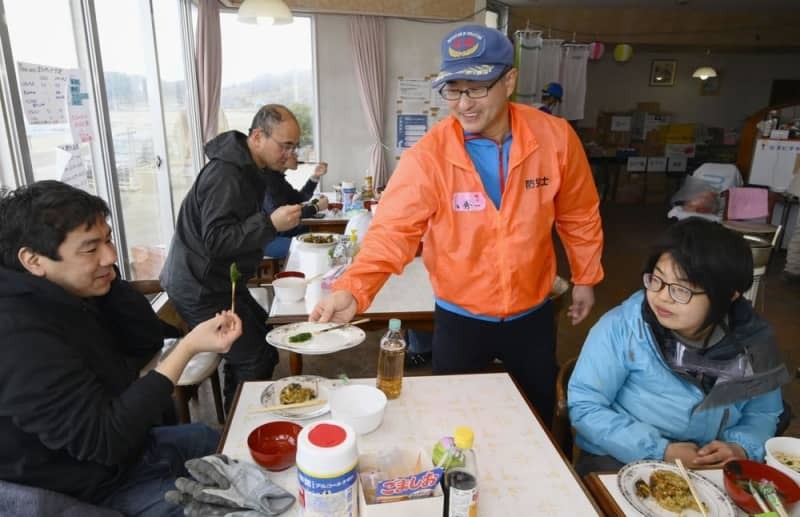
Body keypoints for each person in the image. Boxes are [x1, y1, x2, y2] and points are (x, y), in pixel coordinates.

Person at [310, 25, 604, 424]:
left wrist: (585, 275)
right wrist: (354, 290)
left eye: (477, 88)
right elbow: (391, 233)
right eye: (453, 89)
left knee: (536, 416)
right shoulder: (427, 157)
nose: (463, 104)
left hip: (532, 313)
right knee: (450, 419)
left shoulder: (555, 138)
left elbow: (579, 212)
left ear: (510, 81)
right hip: (459, 317)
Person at [0, 180, 242, 516]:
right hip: (93, 489)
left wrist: (104, 278)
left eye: (108, 240)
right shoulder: (18, 335)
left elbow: (145, 339)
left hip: (135, 448)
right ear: (33, 260)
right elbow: (105, 439)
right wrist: (186, 348)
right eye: (90, 248)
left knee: (215, 439)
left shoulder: (65, 292)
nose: (110, 256)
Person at [568, 218, 790, 476]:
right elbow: (585, 406)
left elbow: (764, 412)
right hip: (621, 455)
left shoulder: (754, 342)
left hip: (709, 466)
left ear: (729, 295)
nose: (662, 296)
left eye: (681, 290)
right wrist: (661, 451)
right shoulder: (622, 328)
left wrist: (740, 448)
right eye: (657, 280)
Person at [160, 104, 303, 409]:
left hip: (219, 280)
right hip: (199, 285)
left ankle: (235, 412)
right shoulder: (227, 174)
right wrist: (270, 224)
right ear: (257, 137)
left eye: (294, 146)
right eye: (285, 145)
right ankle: (237, 431)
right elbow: (216, 240)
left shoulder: (248, 168)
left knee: (262, 339)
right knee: (254, 357)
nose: (289, 154)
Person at [262, 155, 330, 259]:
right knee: (309, 247)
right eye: (292, 150)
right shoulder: (268, 181)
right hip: (266, 238)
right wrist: (316, 207)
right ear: (281, 156)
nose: (297, 155)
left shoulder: (277, 178)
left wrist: (315, 176)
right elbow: (285, 217)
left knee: (319, 235)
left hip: (279, 231)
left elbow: (300, 197)